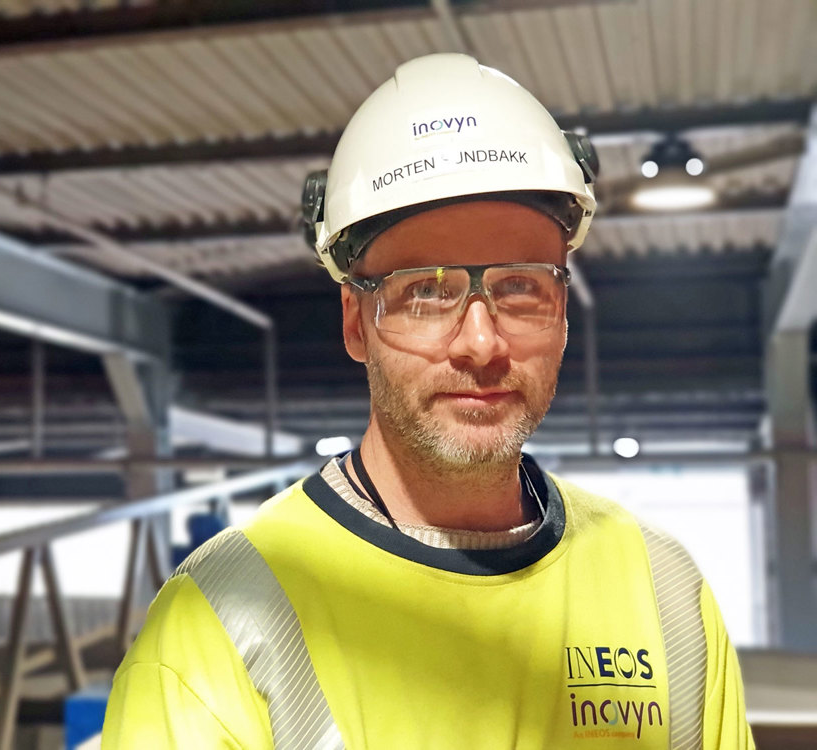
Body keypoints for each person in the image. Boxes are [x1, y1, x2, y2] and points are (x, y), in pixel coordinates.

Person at [102, 53, 754, 749]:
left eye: (521, 287)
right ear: (356, 323)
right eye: (426, 292)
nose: (480, 342)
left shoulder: (664, 594)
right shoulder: (221, 622)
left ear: (563, 312)